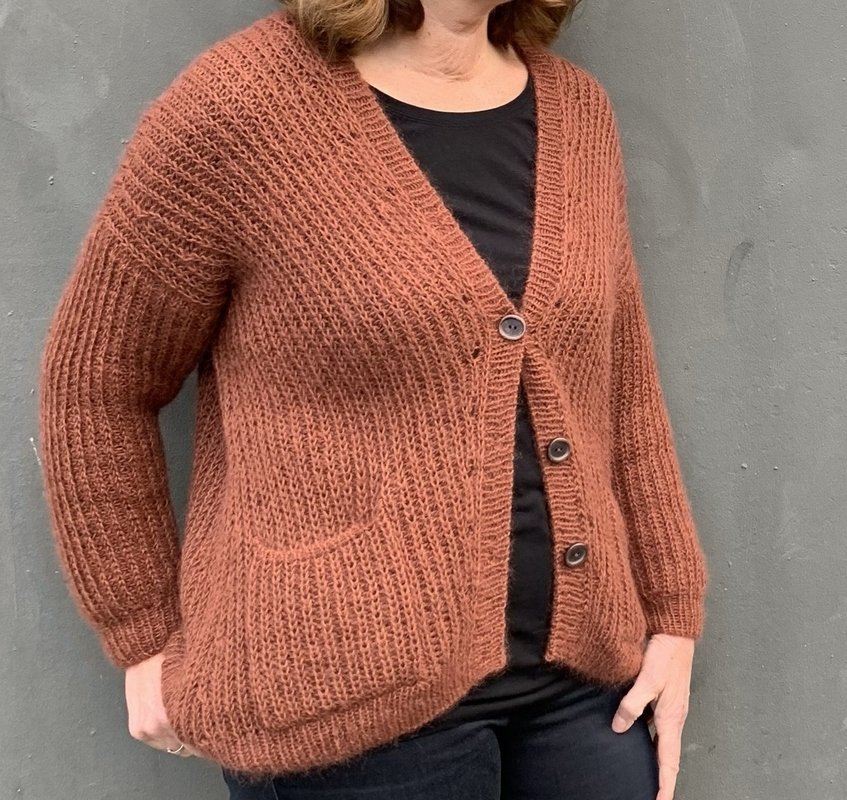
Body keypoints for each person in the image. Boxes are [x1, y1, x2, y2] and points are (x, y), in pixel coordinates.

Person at [37, 2, 709, 799]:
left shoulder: (577, 110)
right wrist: (141, 632)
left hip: (582, 689)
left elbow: (619, 379)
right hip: (339, 700)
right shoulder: (237, 109)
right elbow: (95, 382)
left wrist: (671, 612)